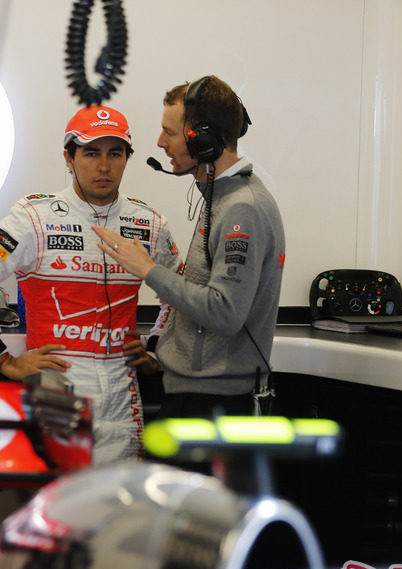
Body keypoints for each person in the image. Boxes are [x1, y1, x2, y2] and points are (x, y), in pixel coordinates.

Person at [0, 105, 182, 464]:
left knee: (118, 513)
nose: (104, 166)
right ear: (68, 158)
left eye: (114, 153)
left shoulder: (149, 223)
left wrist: (156, 349)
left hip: (122, 398)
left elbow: (180, 295)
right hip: (57, 391)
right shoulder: (33, 217)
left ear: (126, 158)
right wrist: (3, 360)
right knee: (56, 512)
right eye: (91, 153)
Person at [93, 75, 285, 418]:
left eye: (170, 132)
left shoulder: (242, 208)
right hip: (199, 394)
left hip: (213, 403)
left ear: (203, 141)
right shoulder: (221, 198)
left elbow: (224, 312)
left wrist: (148, 270)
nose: (160, 142)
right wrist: (158, 347)